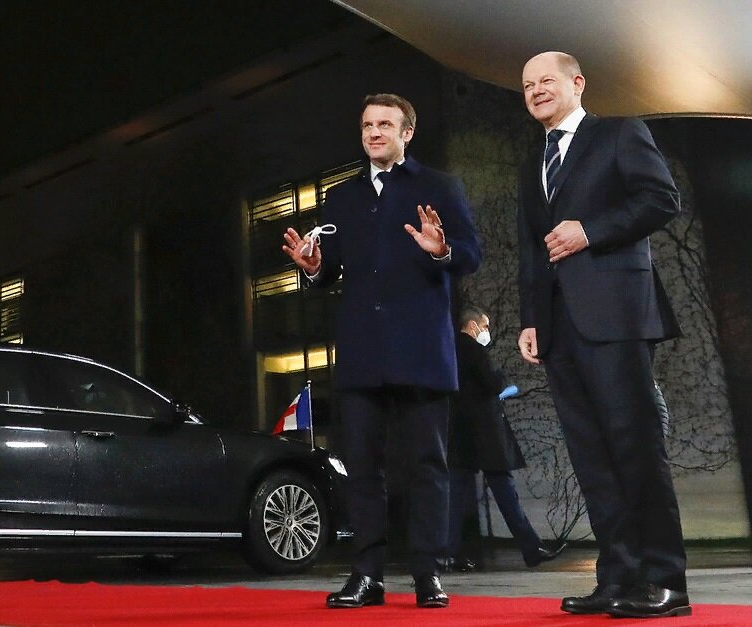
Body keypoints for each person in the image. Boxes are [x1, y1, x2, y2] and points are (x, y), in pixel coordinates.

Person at [282, 93, 480, 609]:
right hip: (362, 350)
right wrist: (314, 268)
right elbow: (331, 268)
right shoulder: (341, 196)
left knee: (427, 466)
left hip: (421, 349)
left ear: (406, 133)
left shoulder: (439, 186)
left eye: (385, 124)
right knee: (361, 466)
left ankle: (428, 575)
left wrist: (443, 249)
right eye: (368, 124)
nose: (374, 132)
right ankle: (367, 575)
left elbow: (471, 254)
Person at [517, 52, 689, 618]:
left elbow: (661, 199)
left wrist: (590, 231)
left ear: (578, 83)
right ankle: (617, 578)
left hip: (616, 316)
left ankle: (666, 582)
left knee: (635, 448)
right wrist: (531, 318)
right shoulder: (533, 159)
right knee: (591, 458)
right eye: (527, 85)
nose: (536, 90)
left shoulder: (619, 133)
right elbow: (530, 247)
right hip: (559, 327)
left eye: (546, 80)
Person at [446, 305, 566, 570]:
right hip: (486, 435)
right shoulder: (474, 350)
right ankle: (531, 548)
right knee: (505, 492)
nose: (487, 331)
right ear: (472, 326)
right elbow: (492, 381)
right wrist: (501, 379)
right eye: (484, 326)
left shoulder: (452, 350)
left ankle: (448, 553)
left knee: (456, 496)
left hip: (462, 435)